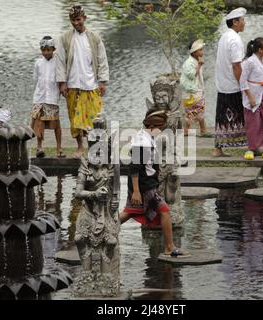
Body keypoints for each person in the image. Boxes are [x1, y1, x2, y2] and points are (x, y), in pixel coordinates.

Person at [119, 110, 189, 257]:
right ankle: (169, 247)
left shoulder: (145, 137)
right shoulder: (142, 142)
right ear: (152, 126)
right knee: (164, 210)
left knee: (129, 212)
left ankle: (103, 232)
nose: (161, 132)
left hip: (145, 183)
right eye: (160, 129)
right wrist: (137, 191)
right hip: (143, 186)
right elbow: (134, 167)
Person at [54, 5, 109, 158]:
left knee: (95, 118)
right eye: (73, 20)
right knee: (75, 119)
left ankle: (97, 147)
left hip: (90, 84)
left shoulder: (94, 38)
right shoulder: (65, 38)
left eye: (78, 19)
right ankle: (80, 147)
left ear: (84, 18)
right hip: (72, 85)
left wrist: (103, 81)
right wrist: (62, 82)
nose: (76, 23)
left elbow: (102, 60)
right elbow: (60, 61)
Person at [213, 7, 248, 157]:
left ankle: (218, 148)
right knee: (242, 115)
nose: (244, 23)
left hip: (222, 84)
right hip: (233, 85)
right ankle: (252, 145)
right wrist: (243, 85)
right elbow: (236, 65)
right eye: (242, 20)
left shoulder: (224, 36)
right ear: (235, 22)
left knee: (222, 117)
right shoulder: (235, 40)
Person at [30, 36, 65, 158]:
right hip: (39, 97)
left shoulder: (58, 62)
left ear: (53, 49)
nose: (46, 52)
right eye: (43, 50)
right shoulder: (38, 63)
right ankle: (39, 147)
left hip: (52, 97)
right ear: (41, 50)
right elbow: (36, 79)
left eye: (48, 50)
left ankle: (59, 147)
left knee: (56, 124)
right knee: (39, 123)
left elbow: (61, 77)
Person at [179, 39, 211, 137]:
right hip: (191, 92)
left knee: (197, 112)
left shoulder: (195, 61)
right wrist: (199, 65)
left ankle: (199, 131)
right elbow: (191, 75)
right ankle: (192, 131)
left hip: (196, 91)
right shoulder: (189, 62)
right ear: (194, 52)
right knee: (193, 113)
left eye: (202, 49)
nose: (202, 52)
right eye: (200, 50)